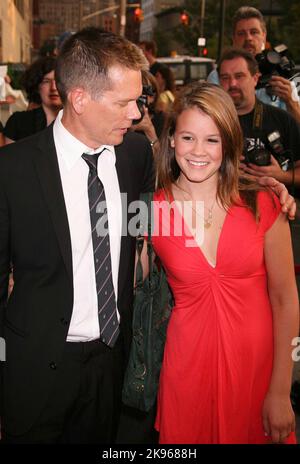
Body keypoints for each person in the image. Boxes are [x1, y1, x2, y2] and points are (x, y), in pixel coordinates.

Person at [0, 27, 153, 444]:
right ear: (80, 98)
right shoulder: (11, 169)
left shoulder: (136, 156)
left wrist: (269, 189)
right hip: (34, 370)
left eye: (137, 101)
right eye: (124, 103)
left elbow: (147, 229)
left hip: (111, 365)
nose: (136, 114)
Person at [141, 82, 299, 444]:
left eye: (212, 140)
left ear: (228, 143)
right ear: (171, 141)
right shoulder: (150, 211)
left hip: (257, 372)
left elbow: (286, 301)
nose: (198, 151)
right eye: (188, 138)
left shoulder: (263, 203)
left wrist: (280, 390)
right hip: (188, 370)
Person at [218, 48, 300, 194]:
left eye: (239, 76)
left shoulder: (281, 119)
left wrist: (282, 176)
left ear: (255, 78)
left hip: (273, 207)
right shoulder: (210, 122)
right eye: (225, 77)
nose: (232, 83)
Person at [207, 6, 300, 122]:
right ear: (233, 39)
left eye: (254, 32)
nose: (248, 38)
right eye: (241, 33)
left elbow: (295, 131)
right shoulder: (217, 76)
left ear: (264, 36)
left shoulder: (280, 75)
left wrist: (291, 102)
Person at [3, 56, 62, 143]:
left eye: (58, 81)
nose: (53, 88)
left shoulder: (78, 123)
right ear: (37, 85)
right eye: (46, 81)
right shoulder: (17, 122)